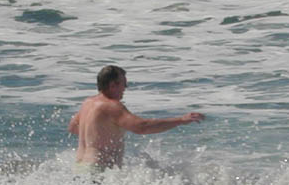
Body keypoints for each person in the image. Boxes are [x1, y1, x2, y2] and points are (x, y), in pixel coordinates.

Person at [68, 65, 204, 170]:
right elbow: (141, 127)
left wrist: (98, 136)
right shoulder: (112, 106)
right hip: (98, 171)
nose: (125, 88)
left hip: (80, 168)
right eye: (123, 84)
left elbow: (73, 127)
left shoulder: (88, 103)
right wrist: (180, 120)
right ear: (112, 85)